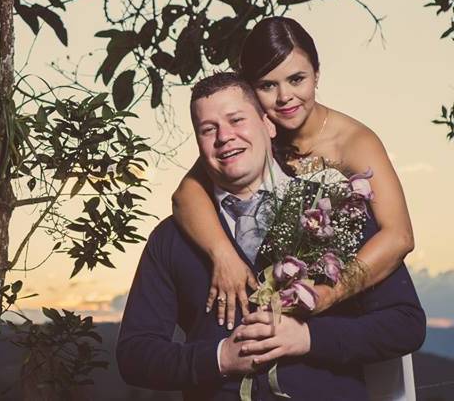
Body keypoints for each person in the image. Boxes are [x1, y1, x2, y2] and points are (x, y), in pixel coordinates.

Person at [115, 72, 425, 400]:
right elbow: (135, 355)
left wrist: (308, 338)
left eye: (236, 120)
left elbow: (405, 325)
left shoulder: (334, 210)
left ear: (268, 125)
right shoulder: (171, 239)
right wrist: (218, 358)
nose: (224, 137)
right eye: (208, 129)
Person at [171, 17, 415, 328]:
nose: (284, 96)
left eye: (296, 79)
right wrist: (223, 254)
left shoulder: (354, 142)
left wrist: (326, 294)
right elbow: (185, 195)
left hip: (349, 311)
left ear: (316, 75)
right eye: (268, 85)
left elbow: (399, 236)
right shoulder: (250, 137)